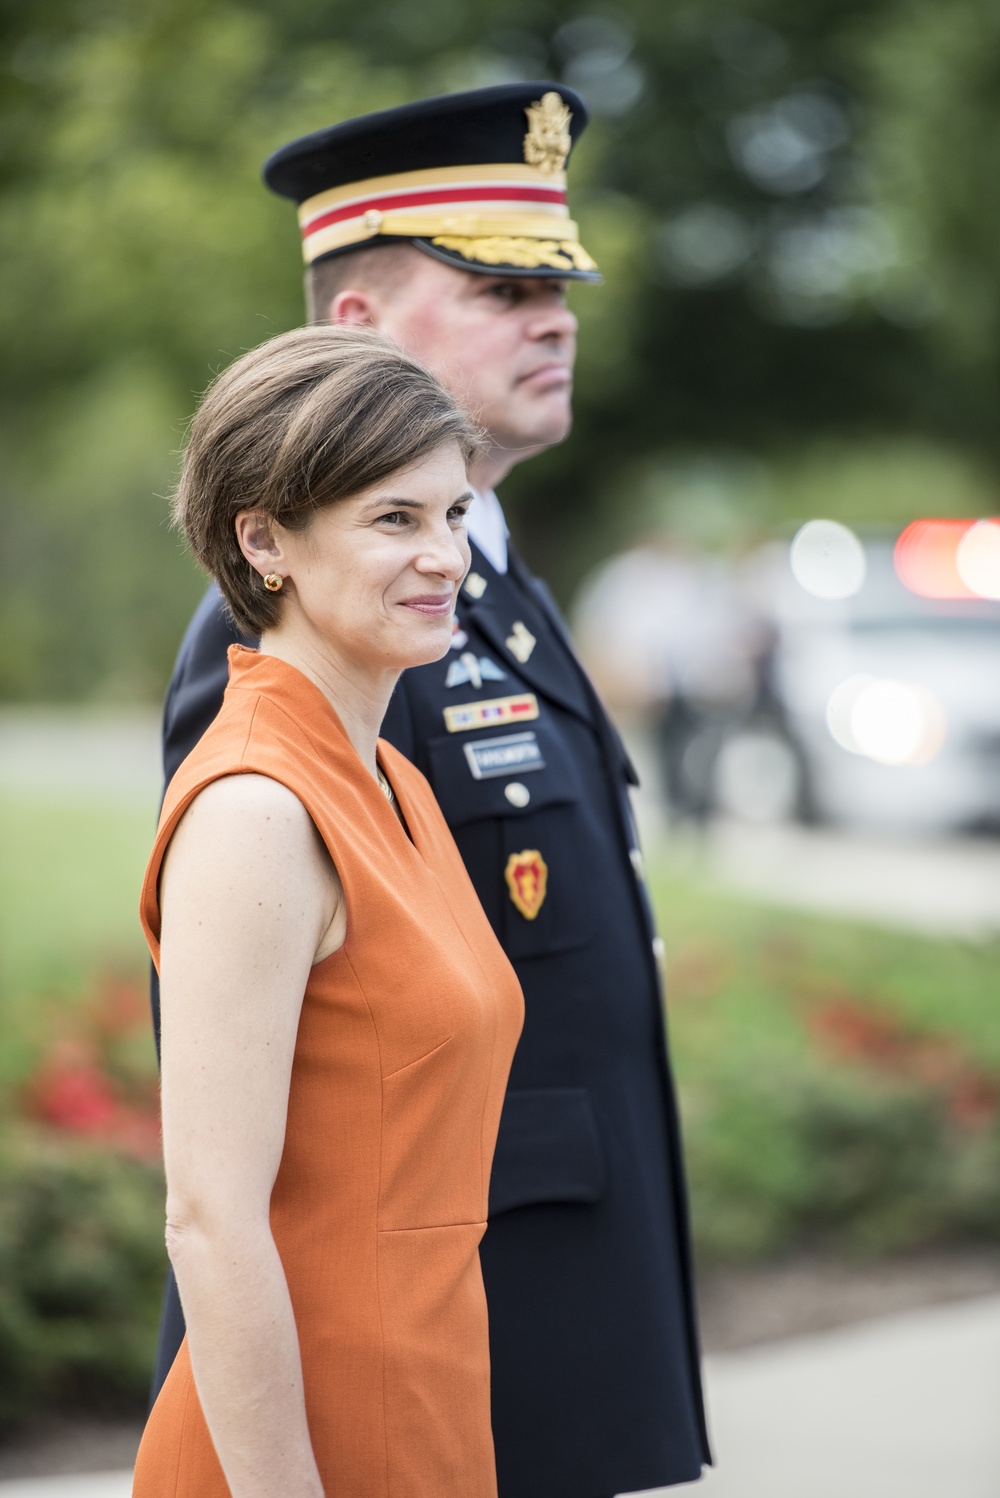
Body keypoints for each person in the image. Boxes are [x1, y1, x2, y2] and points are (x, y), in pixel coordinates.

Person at [153, 84, 711, 1497]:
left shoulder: (434, 657)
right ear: (268, 545)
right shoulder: (278, 681)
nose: (557, 316)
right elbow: (227, 1189)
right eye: (501, 285)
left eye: (448, 515)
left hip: (479, 1322)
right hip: (368, 1359)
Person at [135, 324, 523, 1497]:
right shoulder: (258, 806)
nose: (445, 556)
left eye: (452, 515)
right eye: (391, 519)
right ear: (264, 539)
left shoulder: (388, 778)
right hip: (304, 1431)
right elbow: (208, 1217)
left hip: (425, 1385)